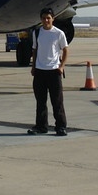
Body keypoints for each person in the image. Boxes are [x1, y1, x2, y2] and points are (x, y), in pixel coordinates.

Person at [27, 7, 68, 136]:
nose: (46, 20)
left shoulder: (58, 33)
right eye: (44, 18)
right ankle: (41, 126)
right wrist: (33, 67)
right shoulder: (37, 32)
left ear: (53, 19)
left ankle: (61, 126)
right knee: (40, 101)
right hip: (40, 71)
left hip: (54, 71)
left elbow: (66, 50)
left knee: (57, 102)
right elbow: (34, 50)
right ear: (41, 19)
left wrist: (61, 67)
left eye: (48, 18)